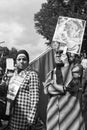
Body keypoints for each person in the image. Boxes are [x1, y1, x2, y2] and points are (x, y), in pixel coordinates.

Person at [44, 41, 85, 130]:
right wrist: (62, 88)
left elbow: (71, 86)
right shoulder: (51, 73)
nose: (58, 55)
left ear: (67, 54)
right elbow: (47, 89)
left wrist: (66, 65)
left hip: (71, 118)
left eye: (61, 52)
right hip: (54, 118)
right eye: (56, 52)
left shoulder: (77, 68)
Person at [5, 50, 40, 130]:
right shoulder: (14, 76)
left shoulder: (31, 75)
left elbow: (35, 99)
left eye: (24, 59)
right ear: (16, 62)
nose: (21, 61)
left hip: (24, 118)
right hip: (13, 115)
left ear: (28, 62)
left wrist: (31, 118)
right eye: (19, 59)